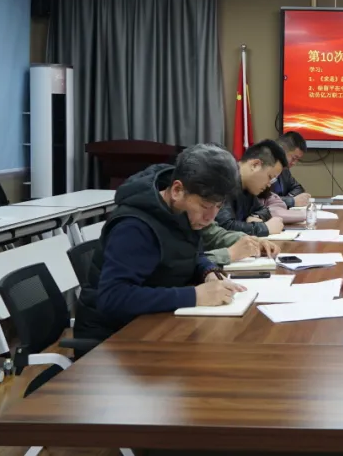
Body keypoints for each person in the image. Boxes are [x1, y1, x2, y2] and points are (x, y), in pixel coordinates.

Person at [74, 144, 249, 344]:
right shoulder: (134, 226)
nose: (210, 217)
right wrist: (194, 295)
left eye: (218, 207)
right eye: (205, 206)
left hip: (156, 323)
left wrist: (208, 272)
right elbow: (113, 297)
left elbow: (191, 255)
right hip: (112, 340)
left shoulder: (181, 213)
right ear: (177, 190)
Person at [214, 140, 287, 237]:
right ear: (255, 165)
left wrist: (256, 216)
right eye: (270, 177)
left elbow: (263, 210)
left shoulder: (248, 187)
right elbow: (224, 226)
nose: (269, 185)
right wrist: (264, 228)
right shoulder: (224, 178)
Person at [274, 131, 311, 209]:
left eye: (297, 160)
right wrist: (291, 201)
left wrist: (289, 198)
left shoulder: (284, 170)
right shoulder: (263, 167)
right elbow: (262, 201)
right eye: (294, 158)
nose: (294, 163)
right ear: (281, 151)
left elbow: (298, 188)